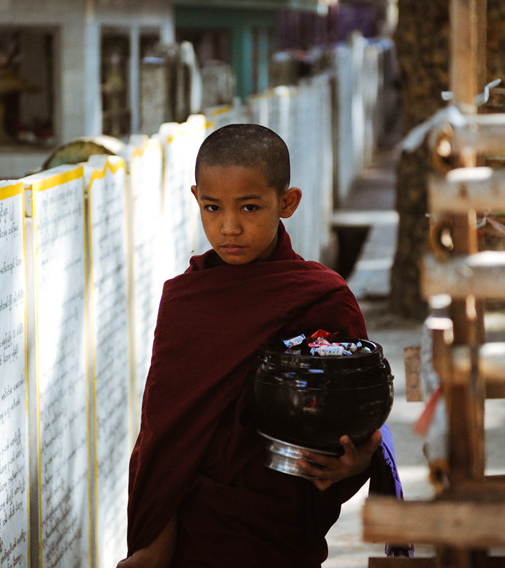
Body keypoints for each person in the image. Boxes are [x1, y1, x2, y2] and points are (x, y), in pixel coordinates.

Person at [120, 124, 409, 567]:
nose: (229, 227)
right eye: (213, 208)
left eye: (250, 207)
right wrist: (154, 540)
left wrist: (356, 461)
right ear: (196, 199)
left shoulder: (320, 295)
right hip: (198, 528)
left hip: (278, 525)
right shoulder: (185, 301)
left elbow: (359, 404)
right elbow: (164, 435)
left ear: (286, 202)